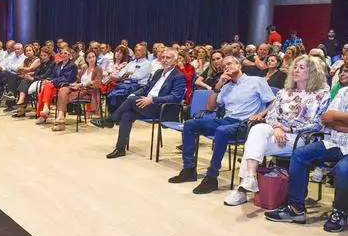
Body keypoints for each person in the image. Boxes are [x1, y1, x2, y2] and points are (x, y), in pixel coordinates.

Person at [224, 56, 330, 206]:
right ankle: (249, 179)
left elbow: (318, 123)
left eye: (301, 67)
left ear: (313, 72)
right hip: (277, 133)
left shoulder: (321, 94)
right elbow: (272, 114)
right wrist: (277, 127)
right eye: (295, 66)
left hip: (301, 137)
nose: (296, 70)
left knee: (252, 145)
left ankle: (242, 190)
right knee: (258, 129)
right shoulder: (284, 92)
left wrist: (290, 128)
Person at [168, 56, 275, 194]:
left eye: (229, 64)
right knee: (189, 124)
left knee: (221, 131)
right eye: (224, 66)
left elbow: (273, 102)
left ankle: (212, 177)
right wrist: (218, 86)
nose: (226, 67)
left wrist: (262, 114)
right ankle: (189, 169)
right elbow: (210, 107)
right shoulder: (226, 86)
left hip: (246, 124)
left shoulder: (256, 81)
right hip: (227, 120)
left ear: (239, 65)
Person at [264, 85, 348, 231]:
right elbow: (327, 118)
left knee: (343, 169)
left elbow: (334, 118)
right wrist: (336, 119)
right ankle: (296, 209)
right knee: (300, 155)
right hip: (334, 142)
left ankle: (341, 212)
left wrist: (338, 119)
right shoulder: (344, 91)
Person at [92, 48, 186, 157]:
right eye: (163, 57)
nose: (164, 60)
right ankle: (120, 149)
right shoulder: (158, 72)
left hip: (161, 108)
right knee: (127, 115)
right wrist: (135, 94)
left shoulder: (179, 76)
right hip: (147, 104)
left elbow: (175, 97)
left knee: (131, 100)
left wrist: (153, 99)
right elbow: (146, 88)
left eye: (168, 58)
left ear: (175, 61)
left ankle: (110, 120)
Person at [51, 50, 103, 132]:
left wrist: (82, 84)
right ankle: (61, 116)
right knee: (62, 89)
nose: (92, 59)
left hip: (88, 91)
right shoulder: (85, 67)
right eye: (89, 57)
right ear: (86, 59)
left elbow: (97, 82)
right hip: (78, 88)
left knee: (63, 97)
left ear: (96, 58)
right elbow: (77, 78)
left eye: (93, 57)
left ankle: (61, 122)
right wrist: (74, 84)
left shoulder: (98, 69)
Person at [35, 47, 78, 124]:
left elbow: (67, 78)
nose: (63, 55)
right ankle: (45, 109)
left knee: (47, 87)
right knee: (45, 88)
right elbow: (53, 76)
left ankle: (43, 115)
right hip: (56, 85)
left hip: (65, 86)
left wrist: (52, 81)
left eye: (66, 53)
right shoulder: (58, 64)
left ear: (69, 55)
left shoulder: (72, 65)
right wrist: (49, 80)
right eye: (61, 53)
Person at [13, 48, 55, 118]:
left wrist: (33, 78)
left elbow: (46, 75)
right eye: (41, 55)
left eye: (45, 55)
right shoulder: (42, 63)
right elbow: (37, 73)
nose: (43, 57)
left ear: (49, 55)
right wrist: (30, 75)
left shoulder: (52, 63)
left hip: (47, 81)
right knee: (23, 81)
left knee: (25, 82)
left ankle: (21, 104)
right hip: (39, 80)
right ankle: (21, 104)